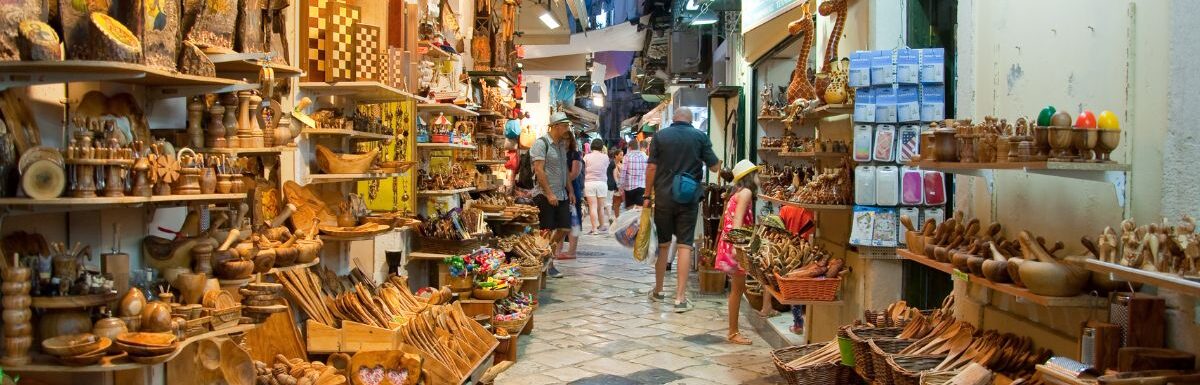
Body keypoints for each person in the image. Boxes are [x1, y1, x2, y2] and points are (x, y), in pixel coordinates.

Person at [644, 108, 721, 313]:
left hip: (663, 198)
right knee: (685, 246)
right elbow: (714, 167)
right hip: (688, 198)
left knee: (663, 246)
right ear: (690, 120)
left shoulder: (660, 136)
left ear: (674, 119)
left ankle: (659, 290)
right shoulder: (699, 137)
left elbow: (651, 168)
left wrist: (646, 195)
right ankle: (680, 298)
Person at [713, 160, 760, 345]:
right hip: (736, 247)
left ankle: (733, 331)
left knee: (737, 290)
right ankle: (733, 332)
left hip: (731, 244)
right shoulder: (746, 193)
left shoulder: (737, 193)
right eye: (756, 173)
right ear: (749, 176)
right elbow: (738, 221)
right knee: (737, 290)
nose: (759, 177)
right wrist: (737, 247)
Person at [530, 112, 572, 278]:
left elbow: (565, 170)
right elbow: (539, 170)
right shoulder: (541, 144)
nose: (567, 129)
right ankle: (548, 263)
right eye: (565, 125)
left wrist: (571, 190)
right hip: (545, 195)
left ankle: (548, 257)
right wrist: (549, 193)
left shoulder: (561, 145)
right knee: (546, 231)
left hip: (561, 194)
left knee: (564, 227)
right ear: (555, 126)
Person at [559, 132, 585, 260]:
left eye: (567, 139)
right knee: (561, 222)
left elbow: (574, 173)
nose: (564, 141)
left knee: (573, 221)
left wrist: (559, 180)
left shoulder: (575, 154)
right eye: (562, 138)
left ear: (571, 140)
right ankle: (558, 251)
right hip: (560, 191)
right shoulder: (558, 153)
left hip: (572, 191)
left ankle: (571, 252)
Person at [583, 138, 611, 234]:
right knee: (601, 206)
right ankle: (602, 226)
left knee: (592, 207)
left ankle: (594, 229)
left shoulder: (586, 157)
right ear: (601, 146)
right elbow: (606, 167)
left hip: (589, 183)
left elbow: (584, 169)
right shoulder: (605, 157)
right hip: (602, 183)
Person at [619, 139, 647, 208]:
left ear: (630, 147)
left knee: (630, 210)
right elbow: (646, 171)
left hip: (629, 187)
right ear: (638, 146)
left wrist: (621, 186)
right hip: (641, 186)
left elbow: (623, 172)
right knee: (639, 209)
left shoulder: (627, 156)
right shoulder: (644, 156)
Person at [609, 147, 624, 219]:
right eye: (620, 155)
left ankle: (618, 219)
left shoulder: (621, 164)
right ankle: (617, 219)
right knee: (616, 204)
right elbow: (616, 176)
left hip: (621, 186)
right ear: (616, 155)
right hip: (616, 187)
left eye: (622, 155)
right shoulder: (613, 164)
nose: (622, 156)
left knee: (618, 203)